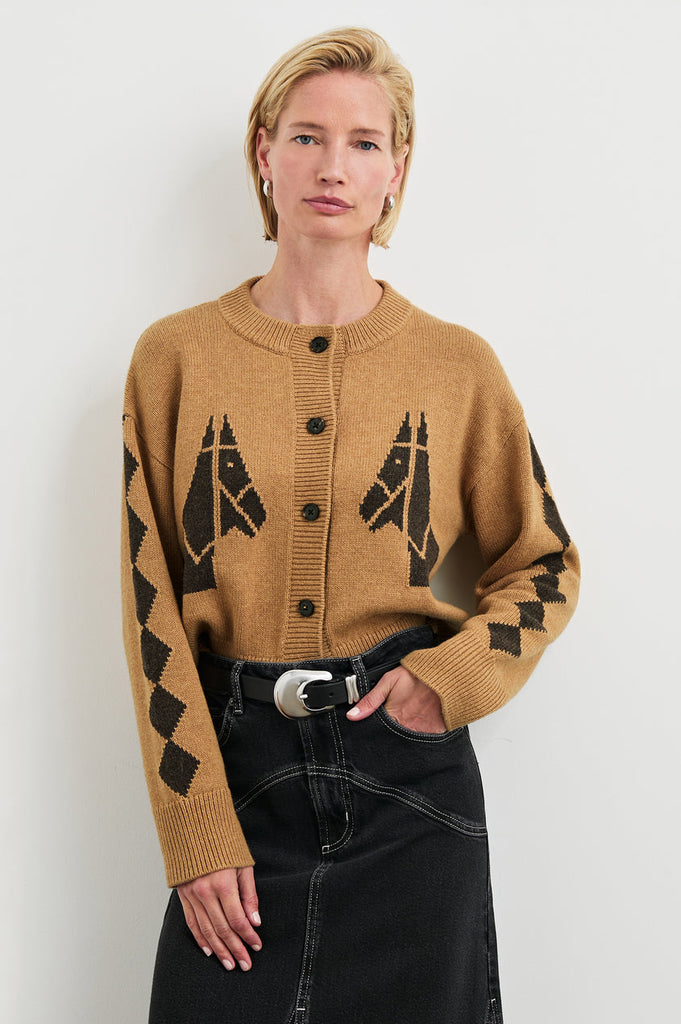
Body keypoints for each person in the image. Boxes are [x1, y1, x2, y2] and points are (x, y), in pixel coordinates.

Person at [120, 25, 580, 1024]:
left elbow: (540, 566)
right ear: (264, 153)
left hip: (407, 795)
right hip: (239, 782)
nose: (333, 166)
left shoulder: (456, 369)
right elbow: (151, 616)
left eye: (364, 142)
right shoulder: (176, 360)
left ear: (395, 171)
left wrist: (447, 677)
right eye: (306, 136)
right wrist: (195, 828)